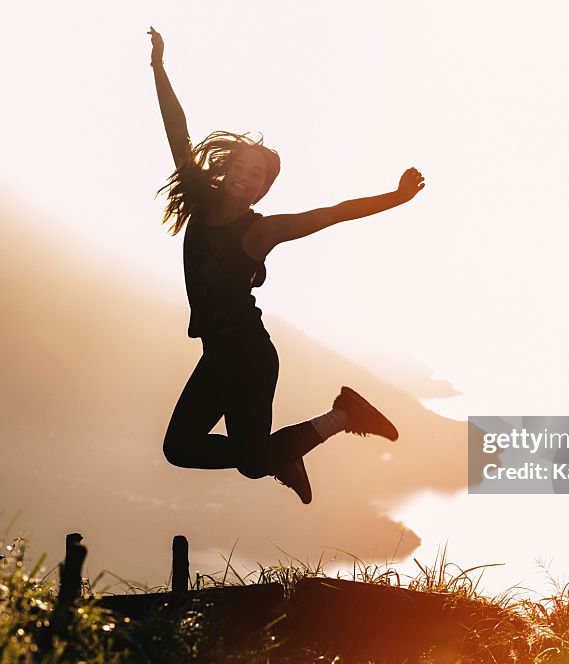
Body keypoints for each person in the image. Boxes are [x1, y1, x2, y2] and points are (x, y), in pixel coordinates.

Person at [149, 27, 425, 504]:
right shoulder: (199, 198)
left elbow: (333, 213)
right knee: (180, 448)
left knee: (254, 461)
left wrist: (396, 197)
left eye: (256, 174)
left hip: (250, 357)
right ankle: (284, 453)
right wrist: (159, 64)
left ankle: (343, 415)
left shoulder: (261, 231)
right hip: (218, 355)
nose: (244, 175)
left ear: (263, 190)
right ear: (227, 168)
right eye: (240, 165)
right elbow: (178, 129)